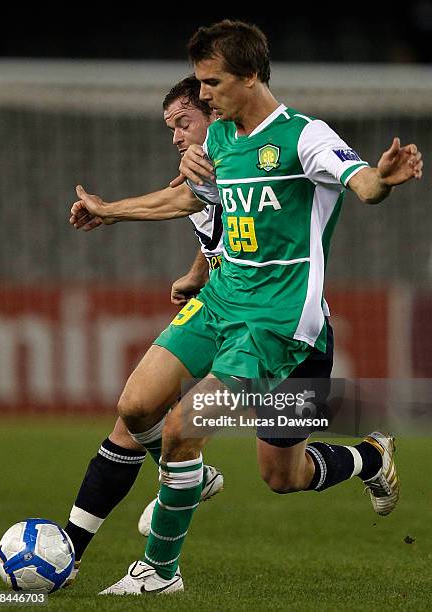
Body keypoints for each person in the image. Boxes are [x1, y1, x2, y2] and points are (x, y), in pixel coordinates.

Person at [72, 20, 422, 596]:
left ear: (251, 75)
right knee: (136, 407)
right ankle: (189, 478)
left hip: (279, 324)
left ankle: (161, 573)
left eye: (211, 83)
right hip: (220, 302)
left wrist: (382, 180)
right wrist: (112, 210)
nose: (202, 95)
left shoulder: (303, 136)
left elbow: (362, 184)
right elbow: (194, 196)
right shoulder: (221, 138)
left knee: (274, 473)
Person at [64, 76, 224, 585]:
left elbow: (182, 203)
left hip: (269, 310)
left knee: (285, 470)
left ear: (215, 112)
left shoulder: (244, 155)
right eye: (170, 127)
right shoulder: (200, 167)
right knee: (133, 412)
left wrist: (108, 210)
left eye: (184, 122)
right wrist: (199, 271)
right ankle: (76, 555)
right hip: (218, 301)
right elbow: (213, 214)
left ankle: (366, 457)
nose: (176, 136)